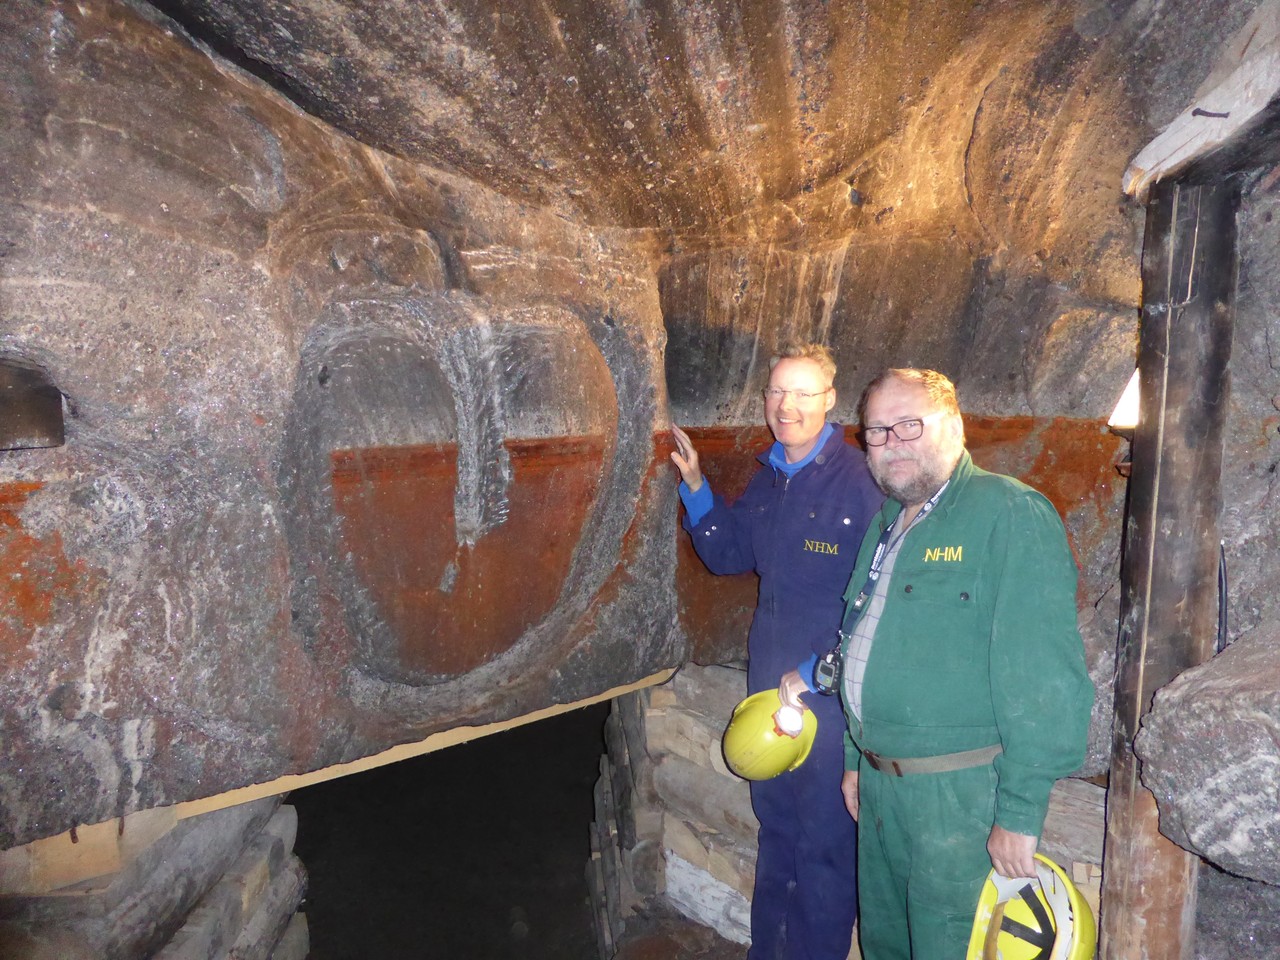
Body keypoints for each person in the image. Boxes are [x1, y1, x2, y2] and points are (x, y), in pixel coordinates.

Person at [835, 368, 1094, 960]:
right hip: (880, 789)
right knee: (886, 943)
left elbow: (1044, 677)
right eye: (876, 431)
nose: (891, 441)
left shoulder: (1009, 514)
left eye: (908, 424)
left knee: (947, 947)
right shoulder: (886, 523)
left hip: (959, 799)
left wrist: (1021, 811)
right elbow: (858, 643)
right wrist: (856, 758)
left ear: (954, 426)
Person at [670, 343, 883, 960]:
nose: (786, 405)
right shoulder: (770, 477)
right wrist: (696, 487)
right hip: (770, 690)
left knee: (823, 844)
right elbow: (729, 554)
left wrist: (822, 674)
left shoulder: (861, 481)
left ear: (829, 401)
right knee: (777, 832)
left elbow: (876, 603)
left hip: (829, 697)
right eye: (777, 392)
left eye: (802, 393)